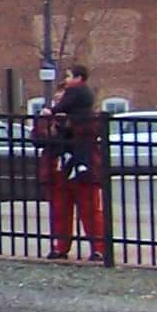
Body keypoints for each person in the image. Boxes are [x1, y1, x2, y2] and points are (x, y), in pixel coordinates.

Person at [39, 63, 107, 263]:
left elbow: (92, 133)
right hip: (58, 170)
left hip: (82, 168)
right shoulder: (51, 120)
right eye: (58, 99)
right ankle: (60, 247)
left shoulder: (87, 118)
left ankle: (99, 248)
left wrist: (69, 123)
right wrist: (53, 125)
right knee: (60, 210)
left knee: (90, 210)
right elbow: (39, 137)